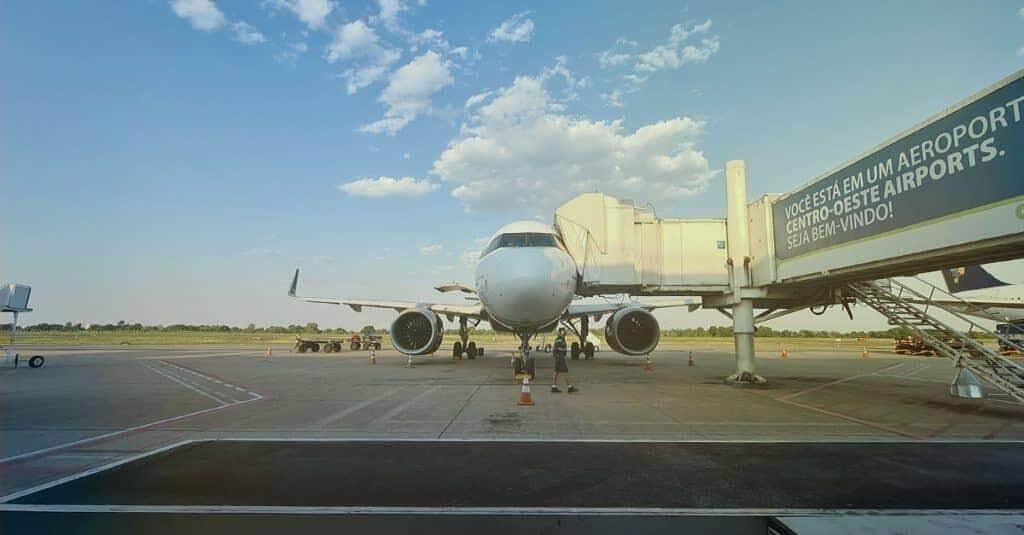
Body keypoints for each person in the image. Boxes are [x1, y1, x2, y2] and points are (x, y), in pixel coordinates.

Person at [551, 328, 577, 393]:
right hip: (560, 358)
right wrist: (564, 350)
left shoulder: (560, 339)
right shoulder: (559, 339)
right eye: (563, 332)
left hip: (558, 358)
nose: (565, 333)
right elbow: (557, 348)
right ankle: (570, 387)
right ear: (561, 332)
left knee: (556, 371)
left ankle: (553, 387)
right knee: (565, 372)